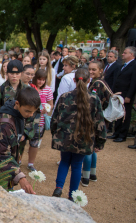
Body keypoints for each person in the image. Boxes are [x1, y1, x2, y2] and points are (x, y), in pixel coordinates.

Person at [51, 68, 106, 200]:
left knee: (64, 161)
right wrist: (100, 142)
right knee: (76, 165)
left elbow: (55, 118)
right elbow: (99, 122)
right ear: (89, 81)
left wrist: (55, 133)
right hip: (84, 139)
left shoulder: (64, 97)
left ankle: (58, 188)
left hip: (64, 137)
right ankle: (72, 195)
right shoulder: (94, 99)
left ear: (74, 80)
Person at [0, 88, 41, 194]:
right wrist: (21, 177)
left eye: (33, 112)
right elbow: (1, 155)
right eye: (28, 111)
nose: (30, 115)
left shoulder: (18, 113)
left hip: (6, 171)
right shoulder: (4, 126)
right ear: (17, 103)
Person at [80, 60, 111, 187]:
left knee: (87, 149)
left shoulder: (97, 84)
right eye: (90, 69)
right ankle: (92, 174)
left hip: (92, 121)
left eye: (94, 70)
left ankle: (85, 176)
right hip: (98, 119)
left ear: (100, 70)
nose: (91, 72)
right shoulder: (100, 82)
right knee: (93, 150)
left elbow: (92, 104)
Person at [108, 46, 136, 143]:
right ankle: (116, 132)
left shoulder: (134, 65)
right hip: (118, 94)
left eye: (125, 52)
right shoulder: (123, 65)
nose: (122, 54)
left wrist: (129, 96)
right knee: (118, 113)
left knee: (125, 115)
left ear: (131, 54)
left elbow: (133, 82)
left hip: (126, 95)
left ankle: (122, 134)